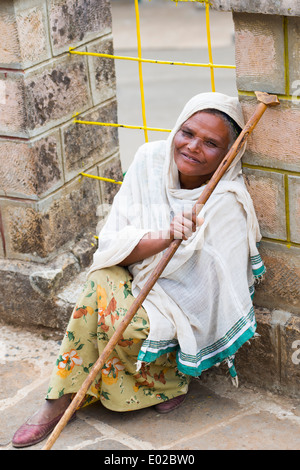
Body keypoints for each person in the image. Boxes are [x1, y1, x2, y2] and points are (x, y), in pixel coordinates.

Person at [12, 92, 265, 448]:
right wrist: (165, 236)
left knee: (116, 315)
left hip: (176, 309)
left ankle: (165, 378)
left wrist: (180, 249)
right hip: (128, 274)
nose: (192, 147)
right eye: (187, 132)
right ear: (177, 128)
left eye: (211, 143)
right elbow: (114, 242)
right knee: (101, 282)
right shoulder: (150, 160)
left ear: (229, 154)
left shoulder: (228, 202)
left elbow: (207, 292)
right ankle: (60, 400)